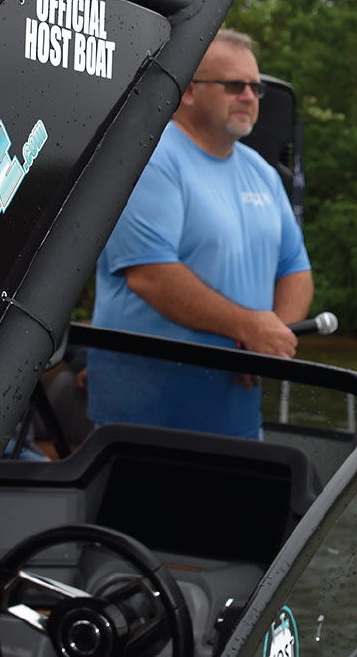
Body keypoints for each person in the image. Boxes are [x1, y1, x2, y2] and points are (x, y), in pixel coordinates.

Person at [87, 29, 313, 438]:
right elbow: (151, 276)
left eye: (255, 88)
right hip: (146, 418)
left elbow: (295, 269)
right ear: (188, 91)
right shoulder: (148, 160)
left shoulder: (262, 172)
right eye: (234, 85)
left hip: (237, 416)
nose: (248, 96)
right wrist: (249, 330)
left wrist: (268, 341)